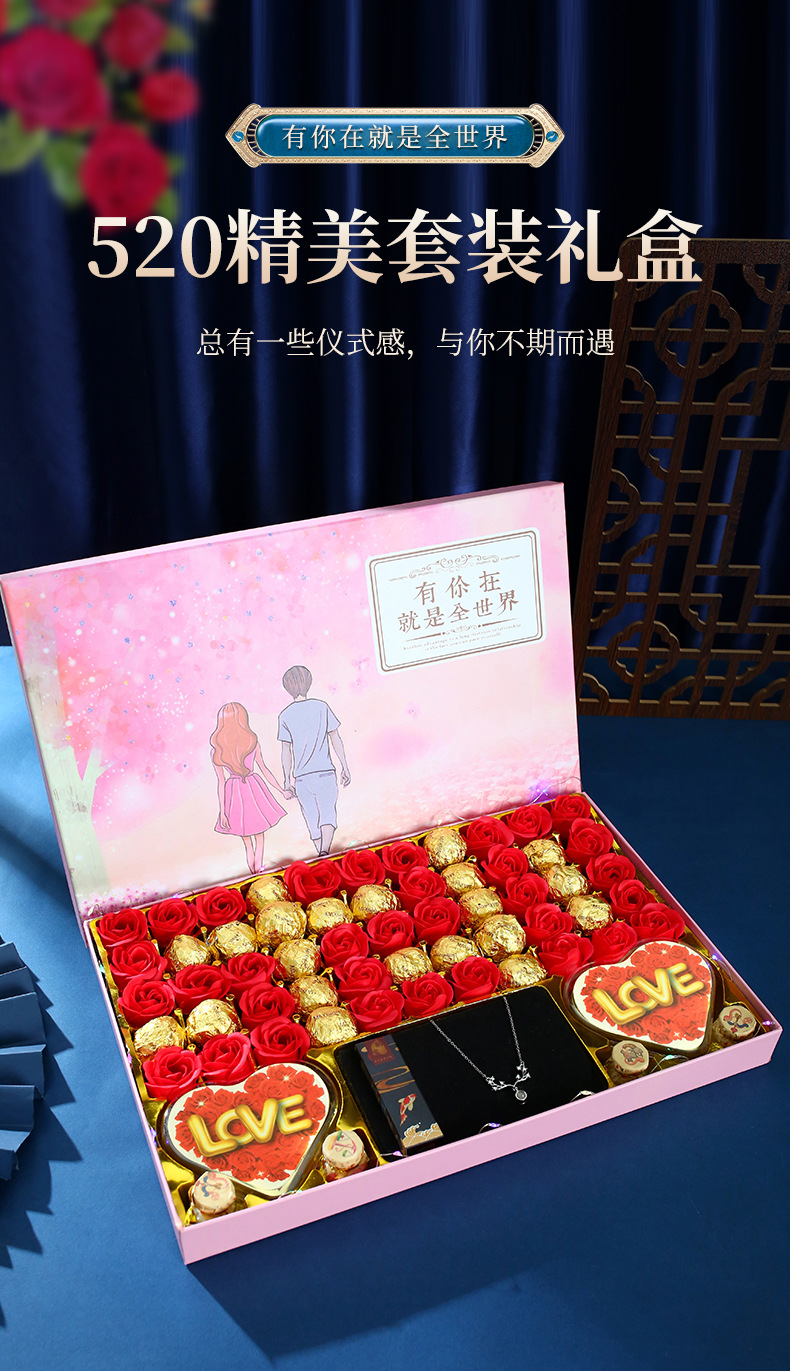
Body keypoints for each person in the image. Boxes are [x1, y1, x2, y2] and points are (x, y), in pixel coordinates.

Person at [277, 665, 350, 856]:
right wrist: (345, 766)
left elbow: (286, 751)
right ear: (308, 682)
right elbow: (335, 739)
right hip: (325, 772)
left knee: (312, 819)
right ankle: (324, 853)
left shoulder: (285, 715)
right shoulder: (321, 707)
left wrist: (286, 781)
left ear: (287, 687)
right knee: (328, 814)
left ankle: (322, 854)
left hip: (302, 777)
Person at [210, 702, 290, 874]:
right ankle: (258, 874)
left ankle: (254, 874)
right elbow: (264, 770)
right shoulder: (252, 743)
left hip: (234, 792)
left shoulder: (218, 750)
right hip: (253, 788)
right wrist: (281, 790)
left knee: (247, 842)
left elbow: (221, 782)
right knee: (259, 838)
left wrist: (223, 811)